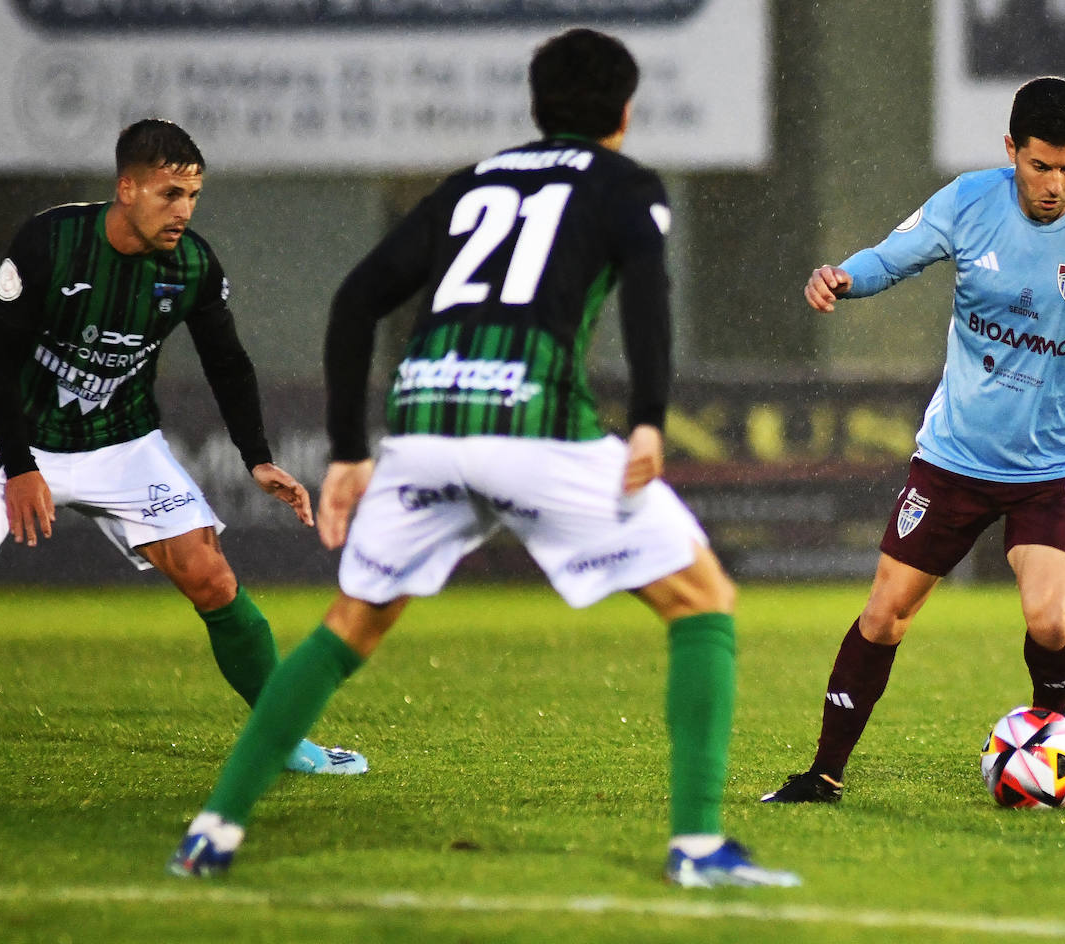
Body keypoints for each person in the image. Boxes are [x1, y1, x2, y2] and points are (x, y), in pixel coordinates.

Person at [167, 28, 799, 888]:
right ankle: (697, 848)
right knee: (701, 600)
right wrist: (649, 419)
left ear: (538, 109)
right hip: (533, 421)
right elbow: (650, 293)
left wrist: (350, 450)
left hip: (426, 423)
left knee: (351, 622)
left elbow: (357, 300)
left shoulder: (474, 181)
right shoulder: (623, 182)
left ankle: (213, 830)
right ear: (623, 111)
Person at [761, 76, 1065, 804]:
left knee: (1050, 618)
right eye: (1041, 165)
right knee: (884, 613)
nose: (1055, 185)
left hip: (1053, 469)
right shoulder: (967, 201)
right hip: (953, 461)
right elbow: (890, 258)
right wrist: (844, 278)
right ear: (1011, 150)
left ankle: (1051, 740)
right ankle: (822, 773)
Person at [0, 118, 367, 776]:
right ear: (127, 189)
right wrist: (20, 467)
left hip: (123, 445)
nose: (183, 210)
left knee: (212, 577)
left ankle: (283, 738)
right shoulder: (50, 242)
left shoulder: (192, 266)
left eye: (193, 195)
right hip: (24, 437)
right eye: (169, 193)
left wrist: (256, 455)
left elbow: (228, 364)